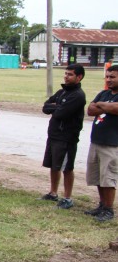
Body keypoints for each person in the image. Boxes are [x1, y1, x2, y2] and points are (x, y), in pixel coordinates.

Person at [41, 63, 86, 209]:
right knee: (54, 165)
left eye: (70, 74)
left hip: (67, 137)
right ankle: (53, 193)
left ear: (79, 77)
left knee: (66, 167)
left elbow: (61, 113)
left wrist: (56, 108)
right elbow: (45, 107)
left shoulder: (78, 95)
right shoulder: (62, 92)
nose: (66, 77)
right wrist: (56, 107)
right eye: (65, 74)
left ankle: (67, 197)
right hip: (54, 134)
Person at [85, 64, 118, 222]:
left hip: (111, 143)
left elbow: (116, 108)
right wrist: (107, 107)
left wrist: (102, 106)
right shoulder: (104, 93)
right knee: (98, 176)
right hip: (96, 141)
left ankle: (109, 209)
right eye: (107, 76)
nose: (109, 79)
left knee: (108, 177)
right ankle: (102, 205)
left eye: (113, 77)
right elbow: (90, 110)